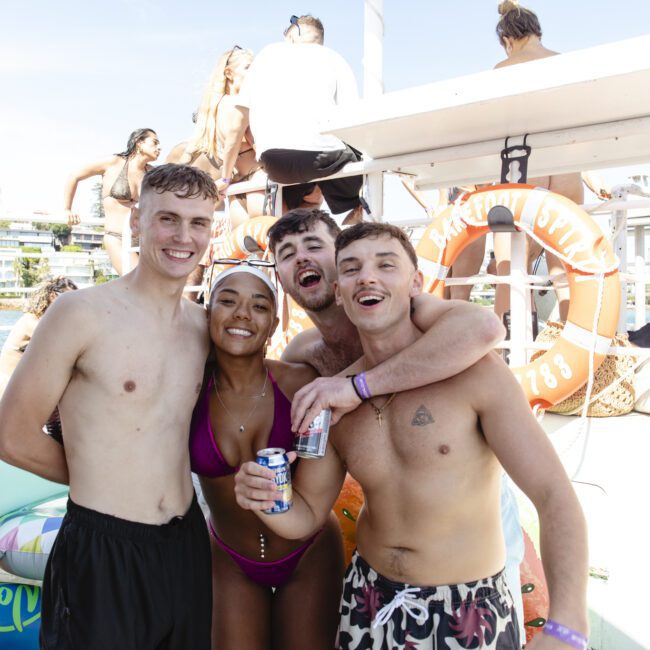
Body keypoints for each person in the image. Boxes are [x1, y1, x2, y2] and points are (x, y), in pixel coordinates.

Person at [236, 222, 589, 650]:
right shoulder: (328, 393)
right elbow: (306, 513)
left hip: (467, 607)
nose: (367, 276)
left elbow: (553, 494)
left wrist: (567, 627)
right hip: (369, 602)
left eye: (386, 265)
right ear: (340, 290)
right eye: (352, 269)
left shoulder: (474, 371)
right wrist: (266, 499)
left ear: (415, 284)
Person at [262, 208, 526, 630]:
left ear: (341, 258)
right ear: (280, 275)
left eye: (314, 245)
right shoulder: (304, 354)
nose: (302, 259)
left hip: (466, 498)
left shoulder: (415, 311)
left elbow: (485, 328)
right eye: (287, 254)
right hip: (384, 553)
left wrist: (356, 385)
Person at [0, 164, 218, 649]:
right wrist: (96, 475)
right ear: (137, 221)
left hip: (184, 544)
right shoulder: (81, 314)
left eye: (198, 222)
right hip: (102, 547)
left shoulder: (205, 326)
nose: (183, 236)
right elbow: (11, 434)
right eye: (168, 218)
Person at [191, 260, 344, 649]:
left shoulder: (301, 383)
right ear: (208, 313)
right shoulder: (188, 391)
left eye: (259, 306)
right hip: (229, 557)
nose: (243, 313)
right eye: (228, 301)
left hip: (308, 552)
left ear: (273, 325)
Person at [221, 16, 364, 223]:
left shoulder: (266, 55)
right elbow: (351, 120)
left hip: (272, 163)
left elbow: (237, 124)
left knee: (305, 175)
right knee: (363, 165)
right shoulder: (333, 58)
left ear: (293, 35)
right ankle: (354, 212)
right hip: (319, 159)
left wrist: (225, 177)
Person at [493, 0, 584, 322]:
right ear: (538, 31)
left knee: (510, 265)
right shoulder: (566, 63)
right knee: (563, 265)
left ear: (507, 40)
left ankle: (512, 347)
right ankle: (572, 339)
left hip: (527, 172)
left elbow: (499, 127)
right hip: (569, 173)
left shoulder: (504, 70)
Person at [171, 46, 267, 229]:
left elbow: (193, 149)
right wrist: (224, 179)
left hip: (239, 186)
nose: (254, 73)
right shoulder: (240, 105)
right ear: (229, 73)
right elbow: (237, 141)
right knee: (265, 238)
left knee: (249, 245)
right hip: (255, 178)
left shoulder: (215, 109)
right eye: (248, 68)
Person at [64, 128, 161, 275]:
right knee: (138, 284)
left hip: (146, 240)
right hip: (117, 238)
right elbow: (74, 176)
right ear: (139, 143)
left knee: (155, 288)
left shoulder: (153, 174)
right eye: (154, 143)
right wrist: (67, 209)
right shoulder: (113, 163)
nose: (159, 148)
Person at [0, 276, 78, 395]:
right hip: (9, 386)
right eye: (68, 299)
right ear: (52, 296)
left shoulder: (46, 321)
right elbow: (61, 344)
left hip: (23, 383)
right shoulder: (30, 321)